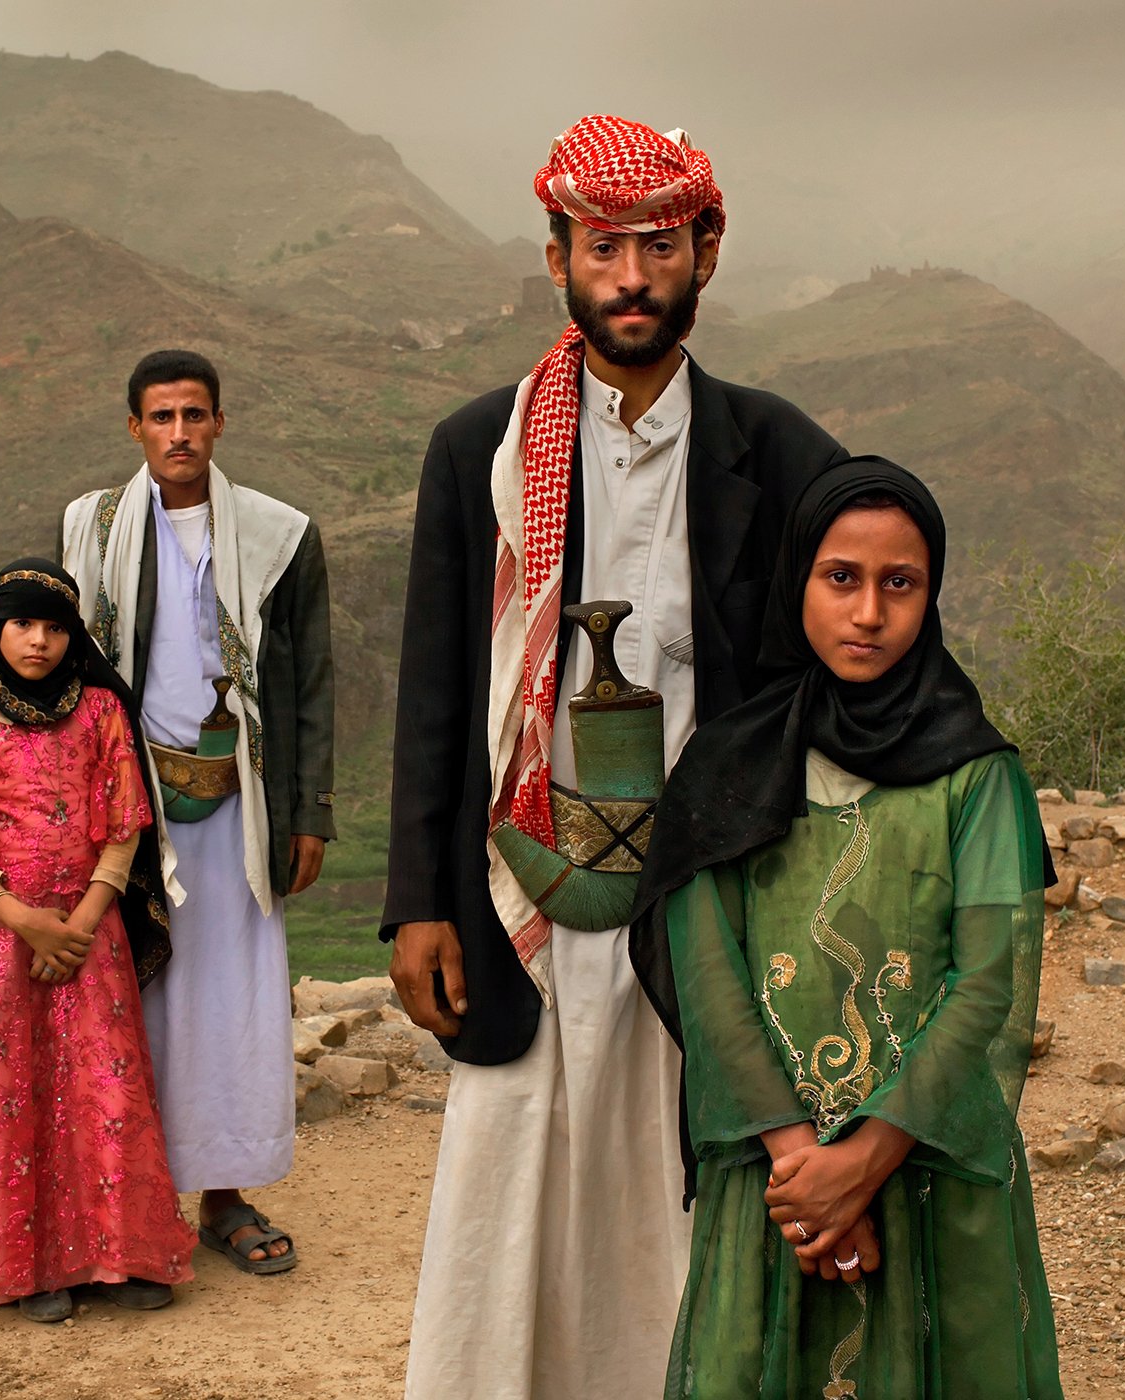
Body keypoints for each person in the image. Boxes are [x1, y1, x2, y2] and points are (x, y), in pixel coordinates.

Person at [383, 115, 850, 1400]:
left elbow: (833, 678)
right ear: (557, 259)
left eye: (659, 246)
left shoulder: (779, 451)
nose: (630, 276)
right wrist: (418, 903)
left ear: (707, 251)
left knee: (676, 1196)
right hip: (522, 883)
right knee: (511, 1183)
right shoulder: (480, 448)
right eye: (603, 247)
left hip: (706, 902)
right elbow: (436, 691)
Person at [635, 459, 1063, 1397]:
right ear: (798, 585)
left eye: (898, 584)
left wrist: (866, 1159)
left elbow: (988, 980)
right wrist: (807, 1171)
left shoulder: (980, 777)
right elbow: (708, 977)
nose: (868, 613)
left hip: (926, 1164)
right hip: (775, 1179)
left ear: (931, 595)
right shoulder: (726, 769)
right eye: (842, 579)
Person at [61, 349, 334, 1274]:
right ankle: (126, 1199)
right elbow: (64, 671)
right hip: (128, 811)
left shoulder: (279, 532)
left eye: (196, 415)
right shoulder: (90, 528)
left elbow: (311, 682)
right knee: (130, 991)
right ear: (133, 427)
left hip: (242, 805)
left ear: (220, 423)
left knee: (233, 996)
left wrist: (310, 811)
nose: (180, 433)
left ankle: (223, 1197)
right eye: (162, 417)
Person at [0, 559, 195, 1322]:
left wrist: (82, 925)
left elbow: (123, 827)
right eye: (24, 624)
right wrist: (27, 921)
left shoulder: (100, 716)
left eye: (56, 627)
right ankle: (25, 1265)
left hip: (90, 936)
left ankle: (123, 1252)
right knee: (12, 1095)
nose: (40, 641)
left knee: (104, 1087)